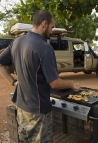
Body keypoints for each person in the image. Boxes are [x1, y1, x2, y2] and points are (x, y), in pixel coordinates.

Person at [0, 10, 81, 143]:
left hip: (21, 108)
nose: (51, 30)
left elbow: (1, 63)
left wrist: (13, 82)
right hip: (38, 112)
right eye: (52, 26)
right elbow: (54, 83)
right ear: (44, 23)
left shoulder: (17, 42)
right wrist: (72, 84)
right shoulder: (45, 48)